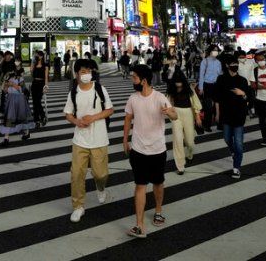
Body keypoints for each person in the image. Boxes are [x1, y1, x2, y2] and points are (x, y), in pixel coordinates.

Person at [123, 65, 177, 238]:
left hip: (157, 149)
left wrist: (170, 112)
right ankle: (139, 225)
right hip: (138, 149)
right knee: (140, 185)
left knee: (158, 183)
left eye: (134, 78)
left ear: (143, 80)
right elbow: (128, 118)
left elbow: (174, 115)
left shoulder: (160, 98)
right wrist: (125, 139)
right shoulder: (133, 98)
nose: (133, 80)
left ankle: (158, 210)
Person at [64, 58, 114, 222]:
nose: (87, 75)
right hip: (80, 140)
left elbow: (109, 110)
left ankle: (100, 186)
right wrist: (76, 121)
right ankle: (78, 206)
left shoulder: (100, 89)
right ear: (77, 74)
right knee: (77, 174)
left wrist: (93, 118)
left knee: (100, 174)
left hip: (99, 139)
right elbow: (68, 114)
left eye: (89, 71)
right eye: (83, 72)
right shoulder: (73, 92)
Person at [216, 56, 251, 179]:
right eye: (232, 63)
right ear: (227, 65)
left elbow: (249, 98)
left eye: (236, 63)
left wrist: (243, 94)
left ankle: (236, 168)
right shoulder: (221, 79)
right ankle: (233, 152)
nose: (235, 65)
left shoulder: (242, 80)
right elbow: (218, 98)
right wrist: (217, 113)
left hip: (239, 115)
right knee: (226, 138)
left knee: (238, 143)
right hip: (226, 114)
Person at [166, 67, 202, 175]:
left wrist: (198, 117)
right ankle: (180, 165)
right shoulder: (171, 90)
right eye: (176, 81)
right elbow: (167, 103)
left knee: (190, 142)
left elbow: (196, 103)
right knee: (177, 139)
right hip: (176, 114)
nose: (178, 83)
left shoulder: (189, 89)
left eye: (180, 81)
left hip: (188, 114)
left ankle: (190, 153)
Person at [0, 64, 35, 145]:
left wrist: (13, 85)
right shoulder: (7, 78)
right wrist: (5, 85)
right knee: (9, 117)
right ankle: (6, 138)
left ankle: (26, 132)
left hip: (19, 99)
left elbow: (23, 90)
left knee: (21, 117)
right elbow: (5, 91)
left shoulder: (20, 79)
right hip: (10, 98)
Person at [197, 46, 223, 131]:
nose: (216, 52)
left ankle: (219, 124)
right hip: (207, 85)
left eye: (217, 50)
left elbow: (220, 75)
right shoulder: (205, 61)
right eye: (214, 50)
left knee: (218, 105)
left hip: (217, 85)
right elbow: (201, 75)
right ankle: (207, 125)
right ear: (210, 51)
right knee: (208, 107)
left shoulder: (218, 62)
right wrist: (201, 88)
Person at [30, 50, 50, 126]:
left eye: (37, 55)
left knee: (37, 101)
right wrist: (32, 62)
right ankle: (37, 120)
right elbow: (31, 72)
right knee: (34, 102)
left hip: (41, 84)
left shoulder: (45, 65)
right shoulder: (34, 64)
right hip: (34, 83)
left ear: (41, 56)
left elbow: (46, 77)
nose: (36, 56)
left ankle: (42, 116)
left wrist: (46, 86)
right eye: (35, 55)